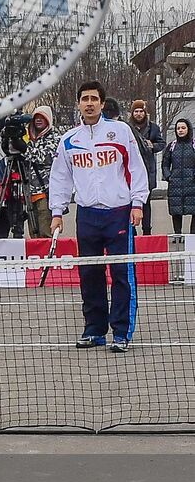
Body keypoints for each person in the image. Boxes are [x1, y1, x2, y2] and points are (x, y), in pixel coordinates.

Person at [49, 80, 149, 352]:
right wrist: (57, 212)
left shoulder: (120, 132)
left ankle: (121, 332)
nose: (90, 103)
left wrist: (138, 203)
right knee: (90, 274)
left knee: (121, 274)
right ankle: (94, 330)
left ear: (102, 104)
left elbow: (136, 169)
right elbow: (60, 178)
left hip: (119, 213)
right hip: (87, 216)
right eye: (85, 99)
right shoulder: (69, 140)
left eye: (94, 98)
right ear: (79, 104)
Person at [23, 106, 62, 238]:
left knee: (45, 233)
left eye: (42, 117)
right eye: (36, 118)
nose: (38, 120)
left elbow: (45, 157)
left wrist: (24, 149)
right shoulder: (28, 137)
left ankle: (48, 256)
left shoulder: (55, 137)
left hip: (46, 192)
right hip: (29, 192)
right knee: (33, 235)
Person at [128, 99, 164, 235]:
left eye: (141, 111)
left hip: (147, 169)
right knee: (131, 203)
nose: (138, 114)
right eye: (136, 111)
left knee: (146, 203)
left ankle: (147, 231)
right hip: (131, 170)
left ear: (145, 112)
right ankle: (132, 231)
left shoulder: (153, 127)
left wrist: (152, 146)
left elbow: (161, 143)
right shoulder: (127, 127)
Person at [164, 119, 195, 235]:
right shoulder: (172, 146)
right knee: (176, 211)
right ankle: (178, 234)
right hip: (175, 184)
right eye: (178, 128)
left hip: (192, 183)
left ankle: (193, 236)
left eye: (183, 128)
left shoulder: (193, 144)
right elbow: (165, 163)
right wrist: (168, 176)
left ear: (188, 129)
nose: (180, 130)